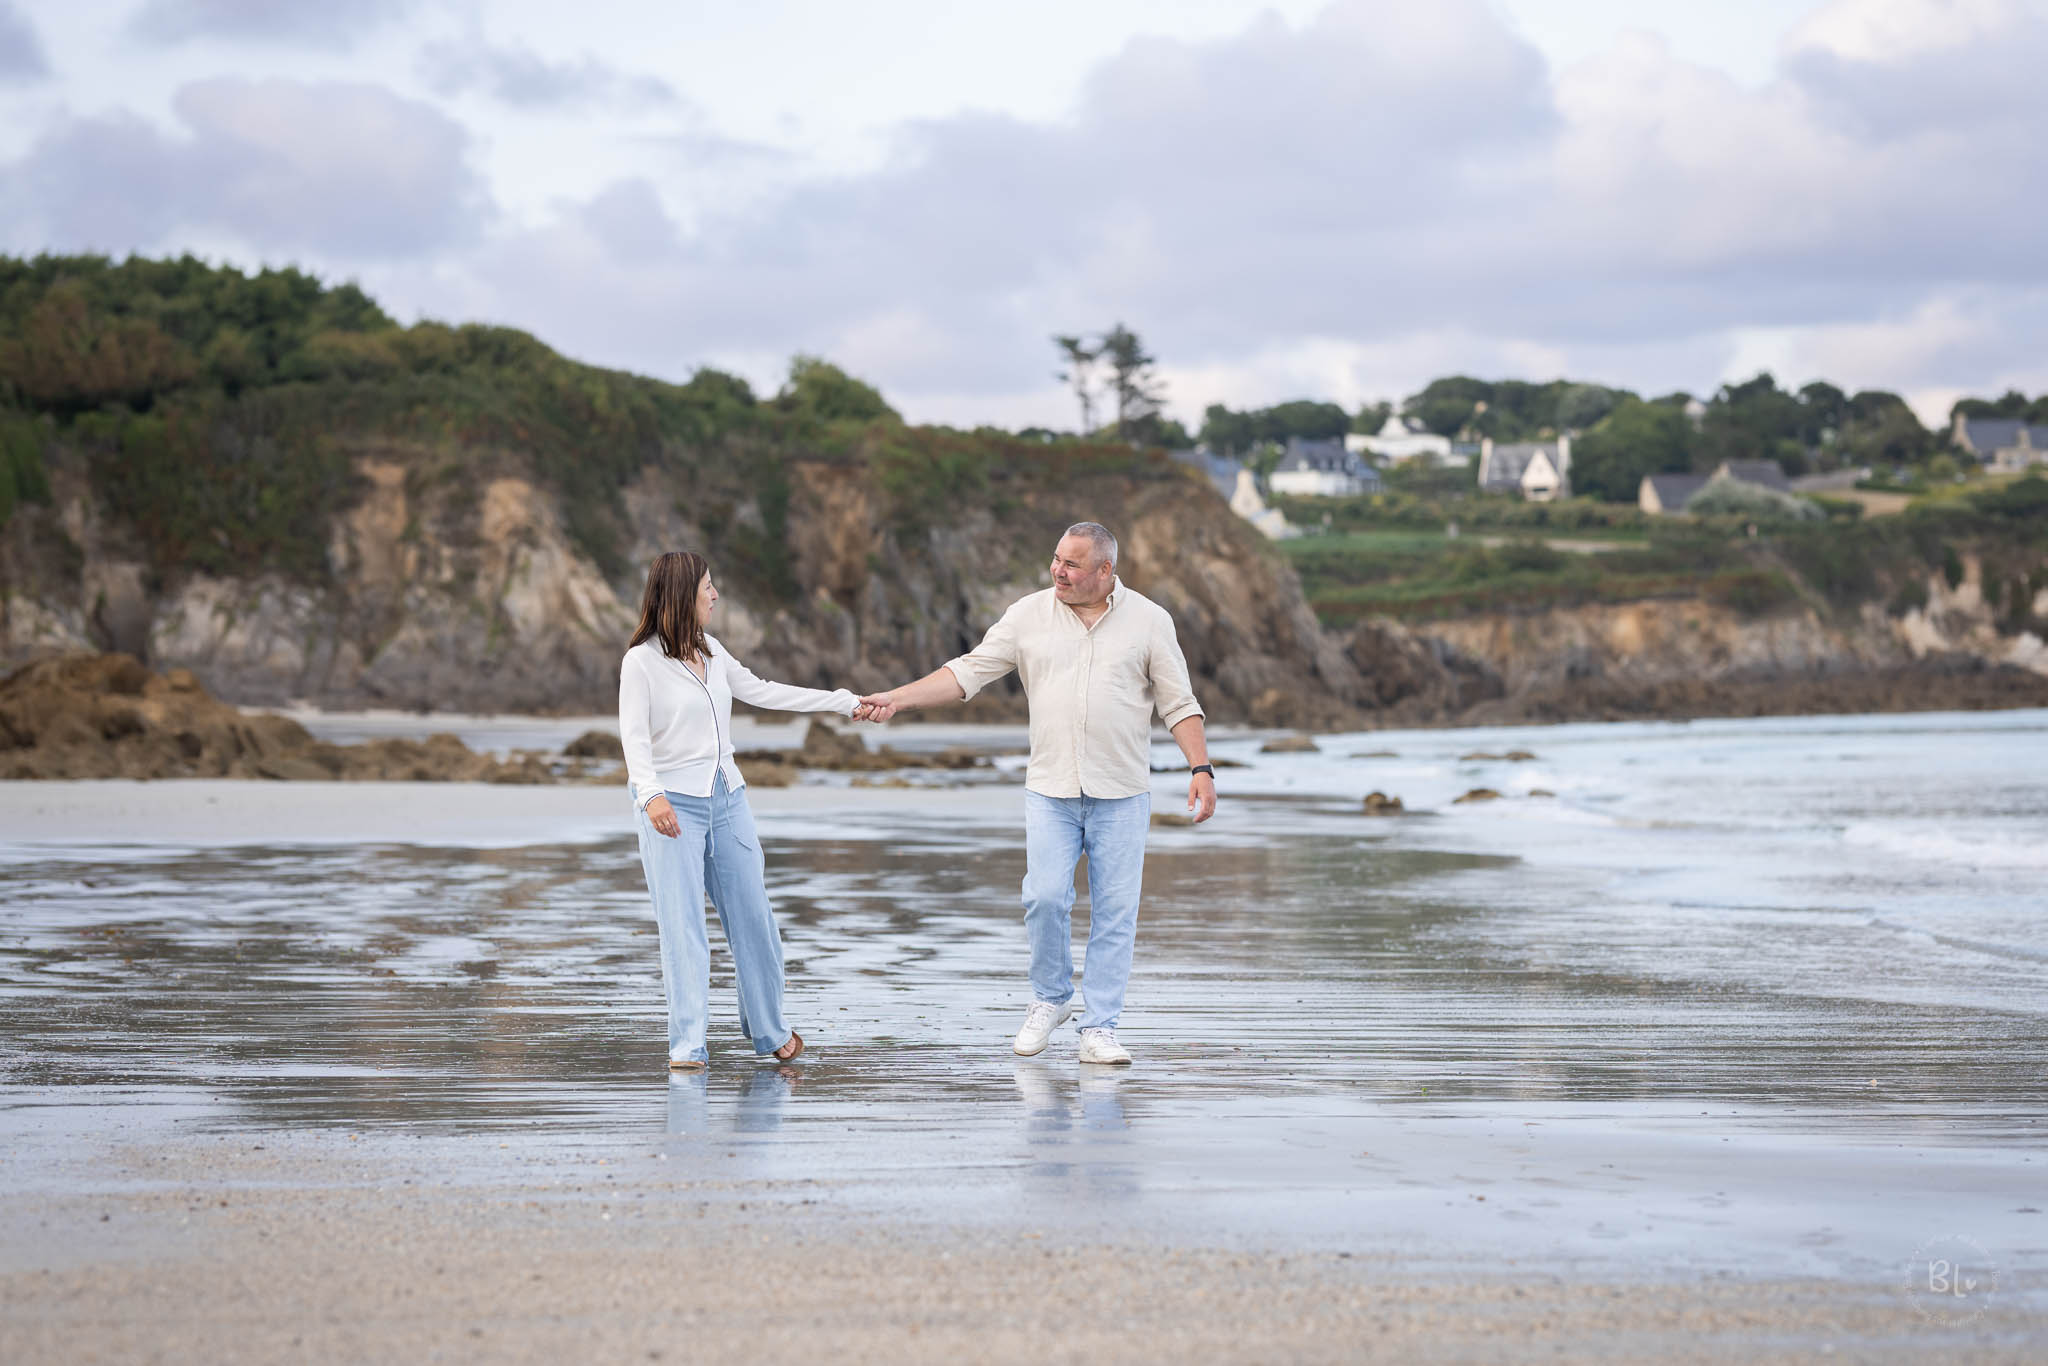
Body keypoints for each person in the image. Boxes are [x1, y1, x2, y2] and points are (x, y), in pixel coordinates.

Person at [861, 521, 1214, 1066]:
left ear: (1105, 571)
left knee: (1116, 914)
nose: (1058, 571)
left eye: (1072, 565)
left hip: (1121, 792)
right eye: (1056, 559)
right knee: (1043, 898)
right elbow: (967, 673)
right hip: (1049, 789)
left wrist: (1201, 767)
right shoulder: (1027, 614)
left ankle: (1100, 1027)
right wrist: (897, 700)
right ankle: (1050, 999)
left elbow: (1179, 702)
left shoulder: (1149, 620)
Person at [620, 550, 877, 1070]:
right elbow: (634, 739)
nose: (715, 595)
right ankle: (687, 1044)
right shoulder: (640, 661)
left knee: (755, 919)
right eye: (708, 587)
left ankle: (768, 1030)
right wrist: (651, 796)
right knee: (684, 926)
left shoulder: (711, 651)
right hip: (671, 806)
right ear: (682, 593)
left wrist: (841, 701)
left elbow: (764, 692)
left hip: (728, 798)